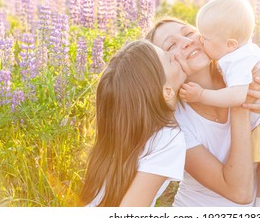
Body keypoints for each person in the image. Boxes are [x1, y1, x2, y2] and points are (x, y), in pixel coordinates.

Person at [145, 16, 260, 207]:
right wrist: (240, 103)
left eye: (189, 33)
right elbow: (240, 193)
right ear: (162, 67)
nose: (186, 42)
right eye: (170, 46)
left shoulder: (247, 71)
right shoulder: (176, 122)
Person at [80, 40, 187, 207]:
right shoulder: (168, 138)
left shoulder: (128, 132)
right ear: (166, 91)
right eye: (169, 59)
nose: (175, 56)